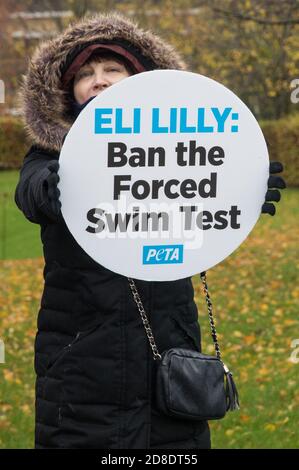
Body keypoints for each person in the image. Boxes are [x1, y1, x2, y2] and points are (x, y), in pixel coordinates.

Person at [14, 12, 286, 450]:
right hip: (82, 362)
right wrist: (54, 186)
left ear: (141, 80)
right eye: (85, 74)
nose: (98, 81)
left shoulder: (178, 150)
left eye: (112, 70)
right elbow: (31, 193)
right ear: (68, 91)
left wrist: (243, 186)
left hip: (169, 354)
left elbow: (203, 188)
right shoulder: (47, 154)